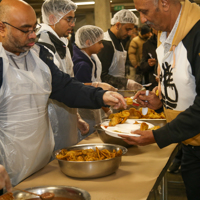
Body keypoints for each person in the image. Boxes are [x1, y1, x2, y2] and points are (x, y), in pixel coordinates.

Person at [0, 0, 126, 187]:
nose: (33, 35)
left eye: (34, 28)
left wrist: (100, 95)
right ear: (2, 28)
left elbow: (65, 86)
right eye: (25, 30)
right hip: (7, 165)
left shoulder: (39, 55)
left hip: (41, 158)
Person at [119, 0, 200, 199]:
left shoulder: (196, 34)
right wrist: (162, 101)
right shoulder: (165, 34)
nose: (143, 20)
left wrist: (158, 136)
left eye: (144, 12)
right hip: (191, 145)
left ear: (164, 3)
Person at [36, 0, 90, 150]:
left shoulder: (62, 42)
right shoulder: (42, 45)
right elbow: (58, 86)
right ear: (52, 19)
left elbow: (69, 79)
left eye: (73, 19)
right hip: (53, 119)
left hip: (67, 114)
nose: (73, 24)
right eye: (68, 19)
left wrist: (76, 117)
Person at [73, 25, 115, 139]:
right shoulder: (82, 64)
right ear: (88, 42)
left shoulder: (90, 57)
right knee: (88, 137)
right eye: (99, 42)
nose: (102, 46)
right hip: (85, 111)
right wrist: (107, 110)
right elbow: (82, 90)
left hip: (93, 104)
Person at [97, 9, 143, 91]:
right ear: (117, 25)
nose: (129, 33)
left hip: (117, 90)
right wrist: (125, 82)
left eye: (131, 30)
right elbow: (102, 75)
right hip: (107, 92)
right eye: (127, 29)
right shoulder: (106, 44)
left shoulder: (119, 41)